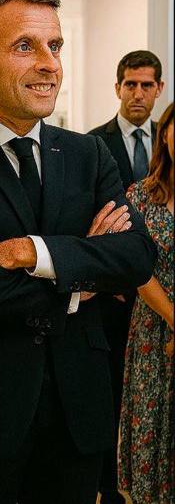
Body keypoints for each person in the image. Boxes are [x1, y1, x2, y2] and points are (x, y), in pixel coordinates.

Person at [0, 0, 157, 504]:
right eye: (26, 46)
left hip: (76, 413)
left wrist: (30, 251)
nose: (49, 64)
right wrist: (80, 278)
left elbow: (135, 257)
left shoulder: (89, 155)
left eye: (55, 46)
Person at [88, 50, 164, 504]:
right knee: (109, 399)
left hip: (161, 307)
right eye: (130, 84)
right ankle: (109, 488)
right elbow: (89, 222)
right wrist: (109, 279)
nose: (137, 93)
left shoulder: (168, 140)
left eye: (146, 85)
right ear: (117, 87)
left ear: (159, 90)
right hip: (112, 303)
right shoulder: (92, 145)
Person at [119, 102, 174, 504]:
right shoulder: (139, 196)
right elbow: (136, 270)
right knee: (153, 427)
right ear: (165, 134)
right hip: (153, 332)